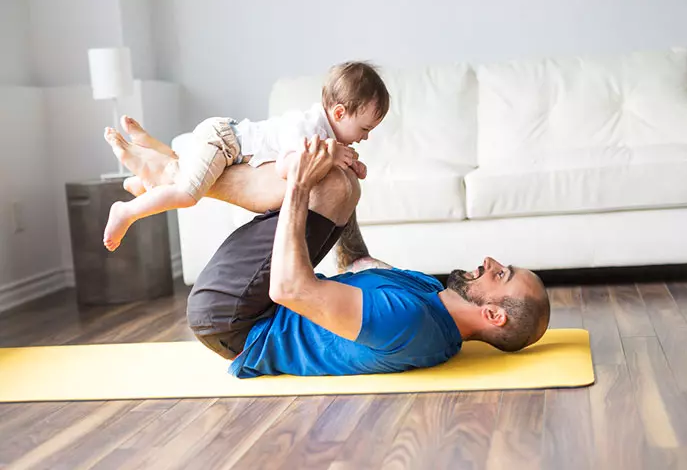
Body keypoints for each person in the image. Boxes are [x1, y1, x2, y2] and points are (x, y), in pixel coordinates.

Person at [181, 135, 551, 377]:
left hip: (236, 320)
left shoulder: (410, 321)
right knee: (338, 183)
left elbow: (288, 289)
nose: (489, 262)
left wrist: (300, 184)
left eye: (500, 275)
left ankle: (178, 177)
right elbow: (355, 262)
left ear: (493, 314)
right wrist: (345, 177)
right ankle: (182, 178)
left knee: (321, 182)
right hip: (261, 303)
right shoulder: (429, 293)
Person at [101, 61, 390, 251]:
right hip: (224, 141)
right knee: (187, 194)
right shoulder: (309, 128)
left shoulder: (330, 133)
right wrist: (329, 155)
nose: (366, 136)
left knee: (183, 173)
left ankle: (147, 175)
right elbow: (285, 167)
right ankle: (126, 211)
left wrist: (351, 163)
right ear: (339, 113)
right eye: (364, 128)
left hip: (229, 144)